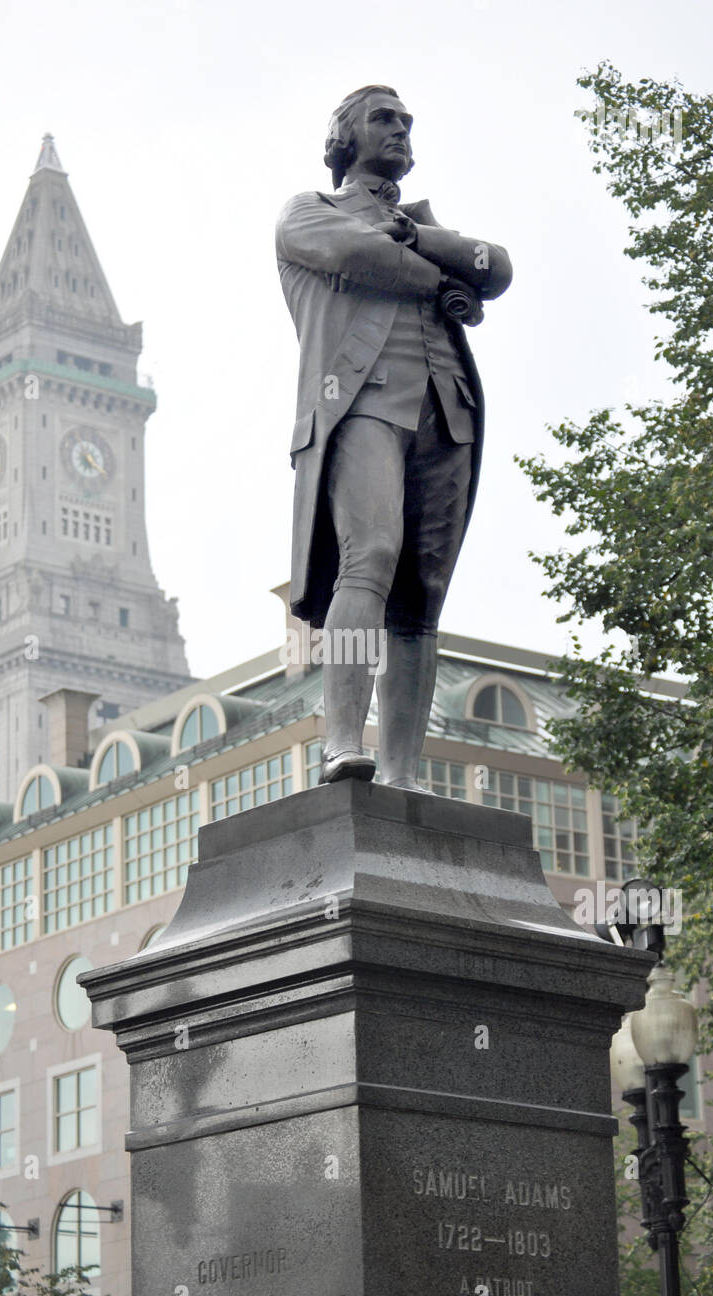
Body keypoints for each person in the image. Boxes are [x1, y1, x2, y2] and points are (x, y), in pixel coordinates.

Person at [276, 84, 512, 789]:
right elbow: (359, 256)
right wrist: (439, 272)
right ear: (344, 137)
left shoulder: (417, 224)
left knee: (421, 598)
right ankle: (343, 742)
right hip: (362, 403)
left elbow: (495, 266)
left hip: (447, 410)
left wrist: (422, 240)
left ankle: (405, 775)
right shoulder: (307, 212)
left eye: (408, 122)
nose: (401, 131)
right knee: (369, 558)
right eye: (384, 119)